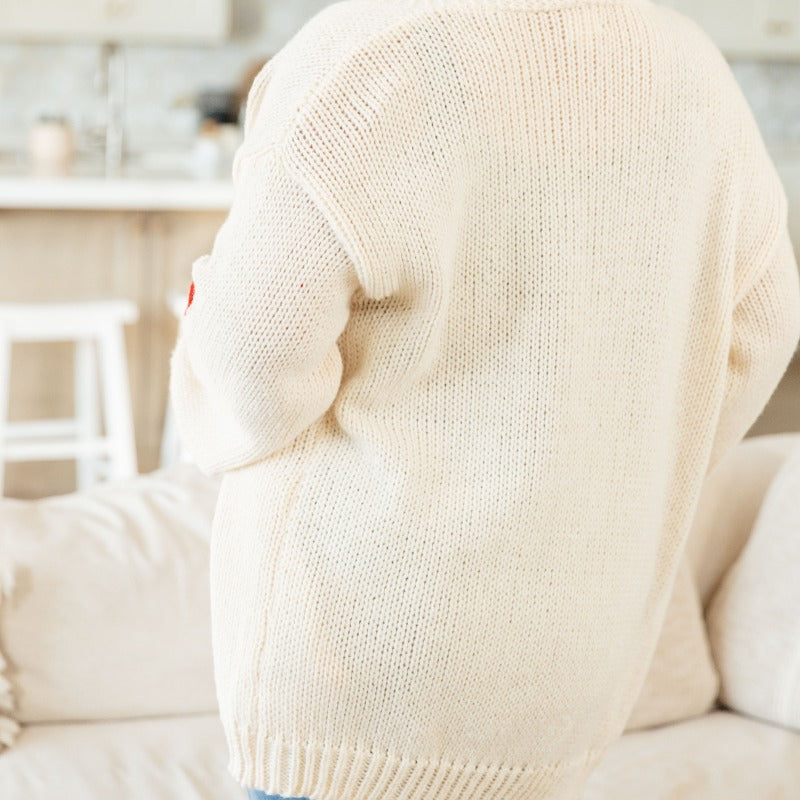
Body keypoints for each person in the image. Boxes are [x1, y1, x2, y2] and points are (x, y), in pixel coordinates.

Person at [168, 0, 800, 798]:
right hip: (567, 673)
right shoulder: (690, 66)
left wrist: (208, 367)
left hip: (355, 661)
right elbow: (766, 323)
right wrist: (631, 465)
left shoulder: (366, 54)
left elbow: (254, 351)